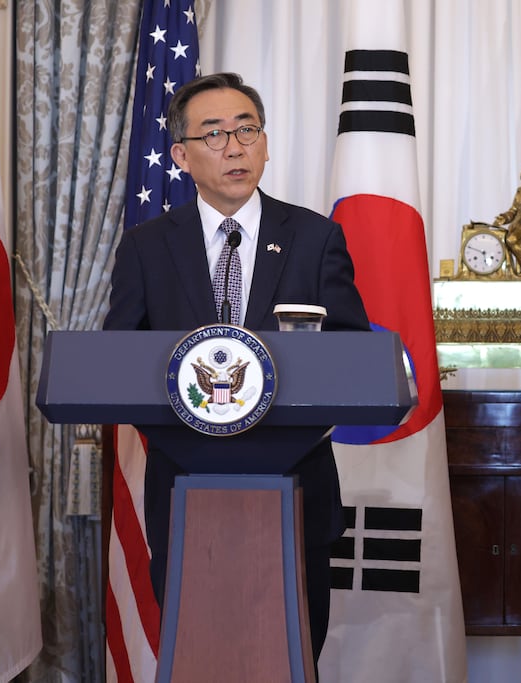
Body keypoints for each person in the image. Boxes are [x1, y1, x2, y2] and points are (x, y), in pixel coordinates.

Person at [103, 72, 370, 667]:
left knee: (293, 656)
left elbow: (351, 351)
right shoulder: (147, 246)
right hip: (184, 486)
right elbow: (120, 356)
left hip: (298, 485)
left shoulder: (314, 237)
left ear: (266, 144)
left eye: (247, 130)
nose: (235, 146)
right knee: (197, 655)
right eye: (215, 133)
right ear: (181, 155)